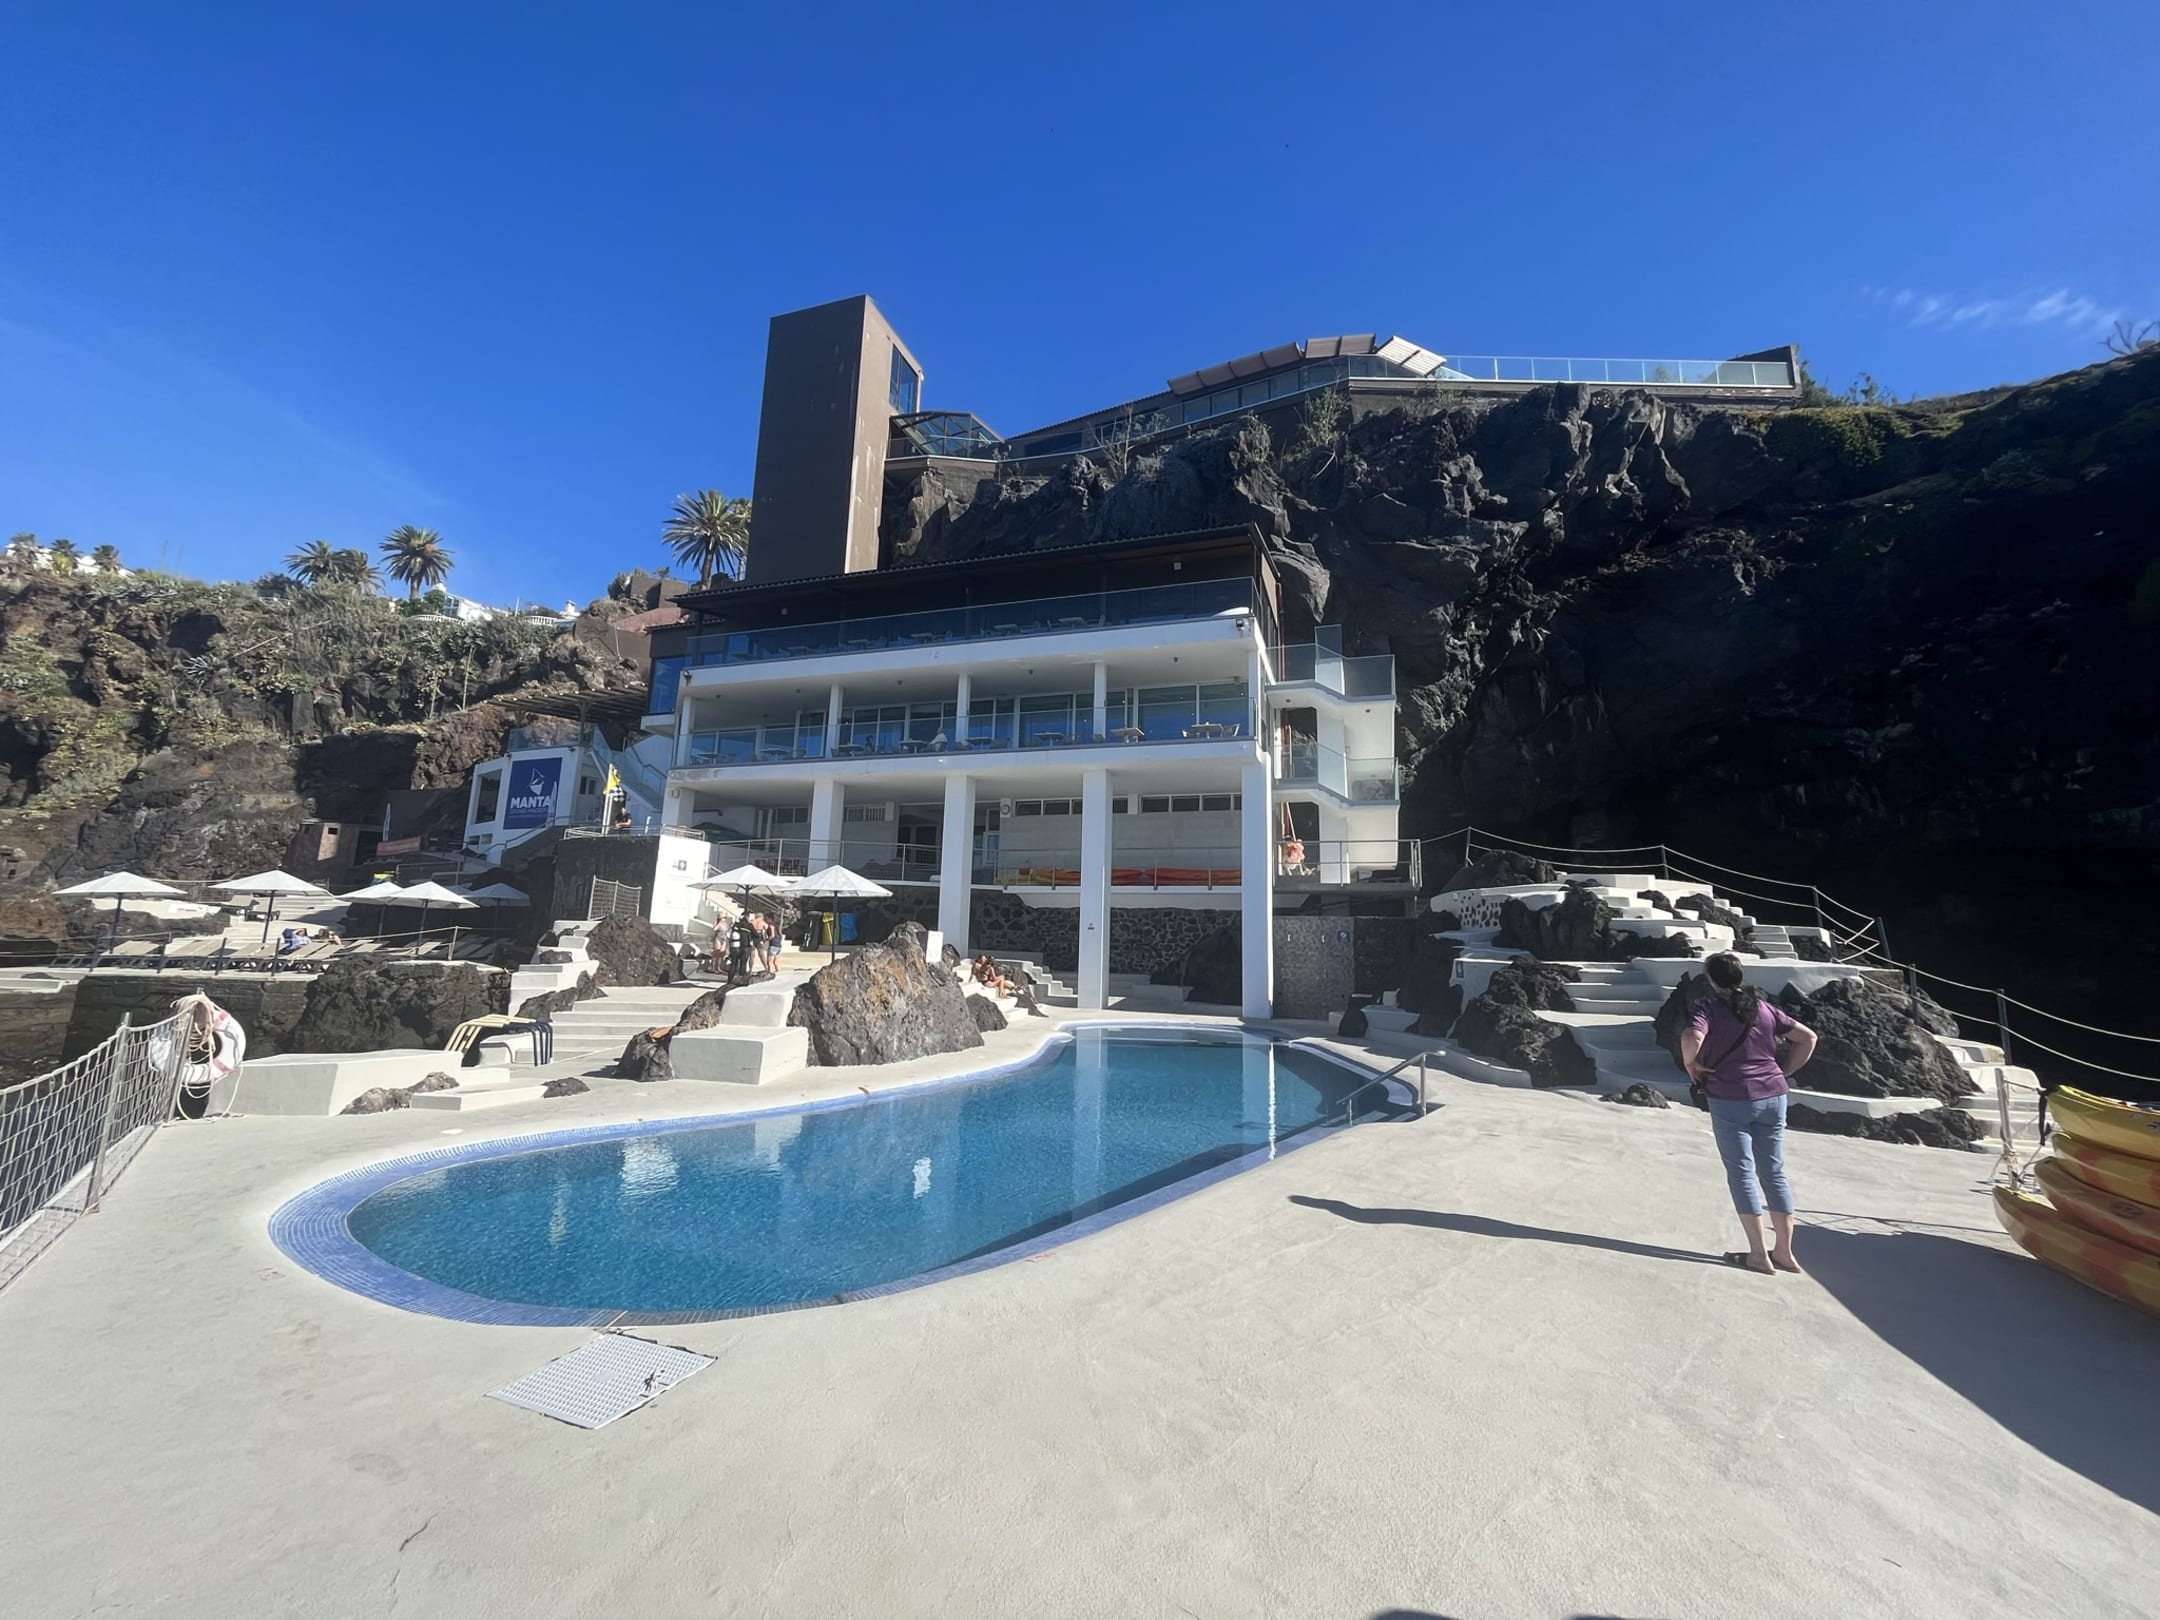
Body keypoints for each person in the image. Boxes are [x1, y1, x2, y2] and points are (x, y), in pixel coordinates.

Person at [1680, 952, 1819, 1275]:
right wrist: (1783, 1071)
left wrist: (1691, 1063)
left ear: (1711, 980)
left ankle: (1758, 1254)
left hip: (1731, 1098)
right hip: (1774, 1096)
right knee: (1773, 1172)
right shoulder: (1762, 1007)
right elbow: (1808, 1038)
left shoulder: (1709, 1008)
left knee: (1742, 1172)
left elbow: (1691, 1036)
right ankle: (1784, 1252)